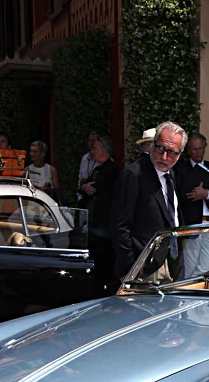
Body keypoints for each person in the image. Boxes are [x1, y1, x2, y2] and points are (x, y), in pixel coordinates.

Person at [113, 122, 186, 279]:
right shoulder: (134, 175)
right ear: (153, 145)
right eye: (160, 148)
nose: (164, 157)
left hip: (170, 262)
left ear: (179, 154)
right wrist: (131, 269)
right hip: (143, 267)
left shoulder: (170, 174)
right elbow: (120, 226)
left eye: (171, 152)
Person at [176, 133, 209, 276]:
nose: (198, 152)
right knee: (190, 268)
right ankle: (190, 290)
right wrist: (194, 194)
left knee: (207, 269)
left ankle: (199, 290)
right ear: (188, 150)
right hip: (192, 224)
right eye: (194, 149)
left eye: (201, 148)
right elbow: (179, 197)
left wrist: (207, 194)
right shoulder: (180, 169)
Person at [78, 136, 119, 289]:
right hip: (92, 219)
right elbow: (83, 185)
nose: (92, 151)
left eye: (95, 148)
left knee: (103, 254)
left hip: (103, 222)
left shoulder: (111, 169)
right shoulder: (97, 169)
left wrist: (86, 186)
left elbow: (96, 187)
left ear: (103, 149)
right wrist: (84, 186)